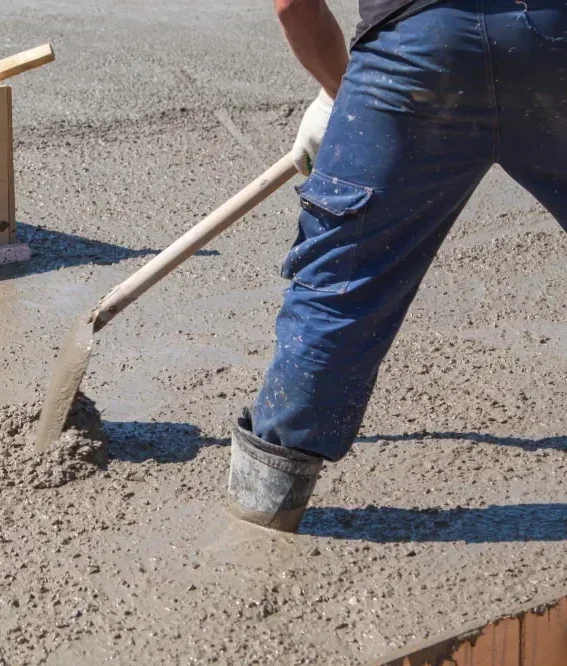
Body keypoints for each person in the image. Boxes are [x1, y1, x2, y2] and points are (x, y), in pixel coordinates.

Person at [227, 0, 567, 532]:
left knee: (340, 288)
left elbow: (294, 6)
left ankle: (263, 514)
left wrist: (337, 94)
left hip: (415, 55)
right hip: (553, 41)